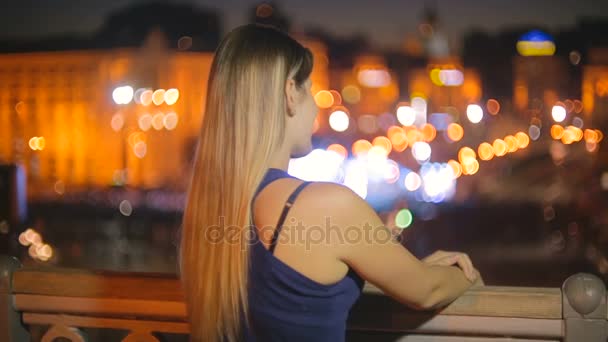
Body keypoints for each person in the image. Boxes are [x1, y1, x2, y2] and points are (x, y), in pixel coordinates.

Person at [179, 24, 483, 342]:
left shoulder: (209, 207)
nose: (316, 106)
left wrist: (390, 257)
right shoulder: (323, 205)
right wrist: (465, 277)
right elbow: (428, 291)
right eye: (310, 90)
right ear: (290, 95)